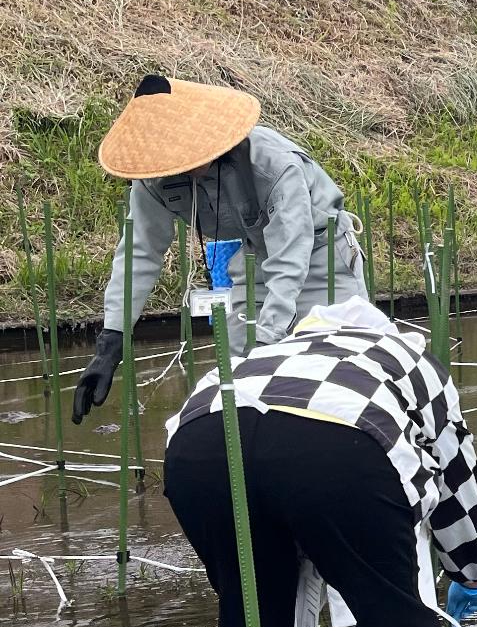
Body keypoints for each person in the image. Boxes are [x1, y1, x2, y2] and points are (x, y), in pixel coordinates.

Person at [162, 298, 477, 627]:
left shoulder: (268, 353)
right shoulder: (411, 355)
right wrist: (471, 569)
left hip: (201, 447)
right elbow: (456, 479)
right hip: (337, 444)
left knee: (253, 623)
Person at [72, 74, 363, 424]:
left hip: (320, 254)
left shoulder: (272, 164)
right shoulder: (154, 177)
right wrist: (112, 340)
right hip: (253, 255)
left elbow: (290, 258)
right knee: (239, 372)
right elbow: (140, 252)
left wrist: (270, 344)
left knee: (340, 364)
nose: (178, 165)